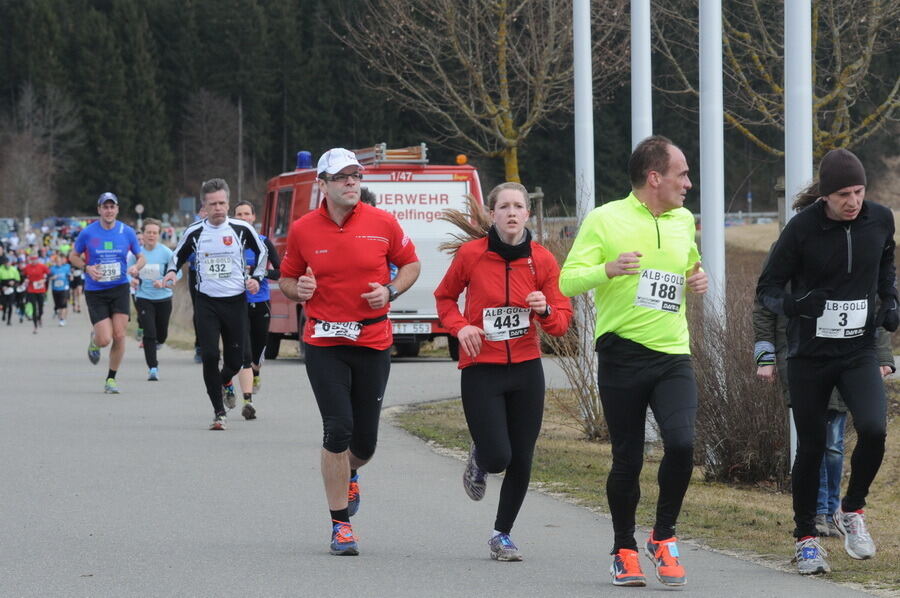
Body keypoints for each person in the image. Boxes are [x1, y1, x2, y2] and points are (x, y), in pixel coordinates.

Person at [559, 136, 707, 588]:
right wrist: (607, 270)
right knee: (627, 459)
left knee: (682, 444)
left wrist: (695, 279)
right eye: (681, 174)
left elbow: (689, 266)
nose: (688, 183)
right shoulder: (605, 219)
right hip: (622, 356)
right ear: (654, 177)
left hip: (672, 354)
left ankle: (663, 536)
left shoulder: (684, 220)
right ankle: (623, 548)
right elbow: (567, 281)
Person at [756, 148, 896, 575]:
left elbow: (887, 261)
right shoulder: (801, 230)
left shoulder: (880, 219)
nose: (853, 201)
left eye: (859, 191)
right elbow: (767, 289)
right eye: (843, 195)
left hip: (857, 351)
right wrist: (799, 305)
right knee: (813, 446)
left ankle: (852, 510)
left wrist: (890, 298)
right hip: (810, 357)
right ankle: (805, 540)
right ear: (825, 197)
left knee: (874, 429)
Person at [278, 148, 421, 556]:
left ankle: (350, 473)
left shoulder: (383, 222)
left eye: (355, 176)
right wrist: (298, 290)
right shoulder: (304, 229)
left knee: (366, 444)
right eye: (342, 177)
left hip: (373, 342)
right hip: (324, 343)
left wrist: (391, 290)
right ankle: (340, 526)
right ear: (322, 183)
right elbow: (287, 278)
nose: (352, 183)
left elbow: (411, 264)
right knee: (337, 429)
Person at [434, 182, 573, 561]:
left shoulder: (542, 260)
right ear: (493, 214)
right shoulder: (471, 255)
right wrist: (461, 326)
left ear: (527, 214)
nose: (512, 213)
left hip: (526, 368)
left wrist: (544, 310)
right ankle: (480, 458)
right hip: (482, 368)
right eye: (504, 207)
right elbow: (444, 298)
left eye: (519, 206)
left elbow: (562, 321)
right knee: (499, 456)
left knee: (522, 457)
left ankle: (502, 534)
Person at [162, 179, 267, 430]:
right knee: (210, 355)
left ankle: (224, 381)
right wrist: (170, 273)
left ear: (228, 204)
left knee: (235, 361)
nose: (218, 208)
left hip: (235, 302)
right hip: (207, 303)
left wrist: (256, 278)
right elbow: (177, 256)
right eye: (213, 204)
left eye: (222, 203)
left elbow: (262, 253)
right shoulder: (195, 231)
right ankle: (218, 413)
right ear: (204, 207)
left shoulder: (241, 228)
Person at [71, 192, 145, 393]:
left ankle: (111, 379)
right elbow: (73, 256)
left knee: (120, 335)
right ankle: (94, 341)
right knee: (105, 339)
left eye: (112, 207)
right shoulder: (88, 232)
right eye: (105, 207)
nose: (109, 210)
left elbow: (141, 257)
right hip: (96, 290)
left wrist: (136, 267)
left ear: (117, 209)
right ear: (99, 210)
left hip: (120, 287)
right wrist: (87, 267)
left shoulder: (127, 232)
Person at [232, 200, 281, 420]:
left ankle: (256, 372)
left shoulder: (263, 242)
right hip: (237, 303)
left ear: (254, 217)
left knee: (258, 352)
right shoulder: (228, 243)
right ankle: (247, 400)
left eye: (246, 214)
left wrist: (260, 276)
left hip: (261, 301)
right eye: (239, 214)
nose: (243, 218)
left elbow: (280, 271)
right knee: (245, 352)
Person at [130, 219, 179, 381]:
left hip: (164, 297)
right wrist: (133, 280)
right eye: (148, 232)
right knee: (149, 333)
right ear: (142, 234)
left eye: (154, 232)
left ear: (159, 234)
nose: (151, 235)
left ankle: (160, 341)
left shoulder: (166, 252)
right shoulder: (136, 254)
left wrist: (165, 281)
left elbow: (178, 273)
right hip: (144, 298)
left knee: (162, 334)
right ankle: (153, 367)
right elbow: (126, 271)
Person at [23, 254, 51, 334]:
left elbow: (49, 274)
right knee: (34, 308)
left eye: (35, 260)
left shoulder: (42, 266)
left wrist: (44, 279)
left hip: (41, 289)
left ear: (37, 260)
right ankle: (35, 326)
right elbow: (23, 275)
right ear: (30, 260)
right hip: (31, 290)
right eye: (32, 260)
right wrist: (25, 280)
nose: (34, 261)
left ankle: (39, 317)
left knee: (41, 307)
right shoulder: (27, 267)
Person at [49, 252, 72, 326]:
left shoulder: (66, 267)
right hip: (55, 289)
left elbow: (69, 275)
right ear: (55, 262)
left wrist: (71, 277)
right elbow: (48, 278)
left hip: (64, 289)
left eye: (60, 261)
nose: (59, 262)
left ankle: (62, 319)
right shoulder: (52, 269)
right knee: (58, 306)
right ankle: (60, 317)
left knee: (63, 304)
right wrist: (53, 277)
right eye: (57, 261)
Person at [0, 255, 22, 325]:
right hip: (3, 288)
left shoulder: (14, 269)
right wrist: (2, 287)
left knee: (10, 305)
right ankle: (3, 313)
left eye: (8, 263)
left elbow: (18, 280)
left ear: (10, 263)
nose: (7, 264)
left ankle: (9, 320)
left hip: (12, 289)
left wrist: (14, 282)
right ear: (4, 263)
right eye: (6, 263)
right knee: (4, 304)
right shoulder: (0, 269)